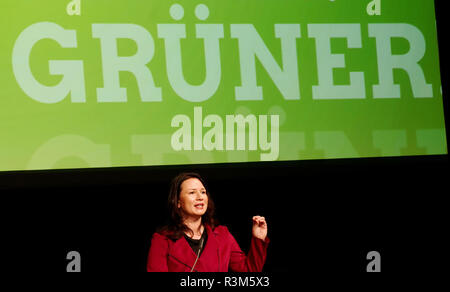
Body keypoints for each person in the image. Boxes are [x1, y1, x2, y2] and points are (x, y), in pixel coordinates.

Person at [146, 172, 269, 272]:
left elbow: (249, 271)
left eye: (203, 192)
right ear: (178, 202)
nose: (200, 197)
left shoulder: (222, 235)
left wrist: (258, 239)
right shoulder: (162, 240)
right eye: (192, 192)